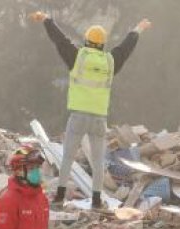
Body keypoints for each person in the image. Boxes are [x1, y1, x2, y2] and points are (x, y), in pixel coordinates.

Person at [30, 11, 151, 209]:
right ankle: (96, 201)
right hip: (99, 120)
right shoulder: (111, 62)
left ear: (87, 41)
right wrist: (139, 28)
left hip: (78, 117)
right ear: (103, 44)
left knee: (67, 157)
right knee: (97, 162)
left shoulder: (78, 57)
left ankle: (59, 198)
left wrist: (46, 19)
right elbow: (126, 47)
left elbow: (60, 40)